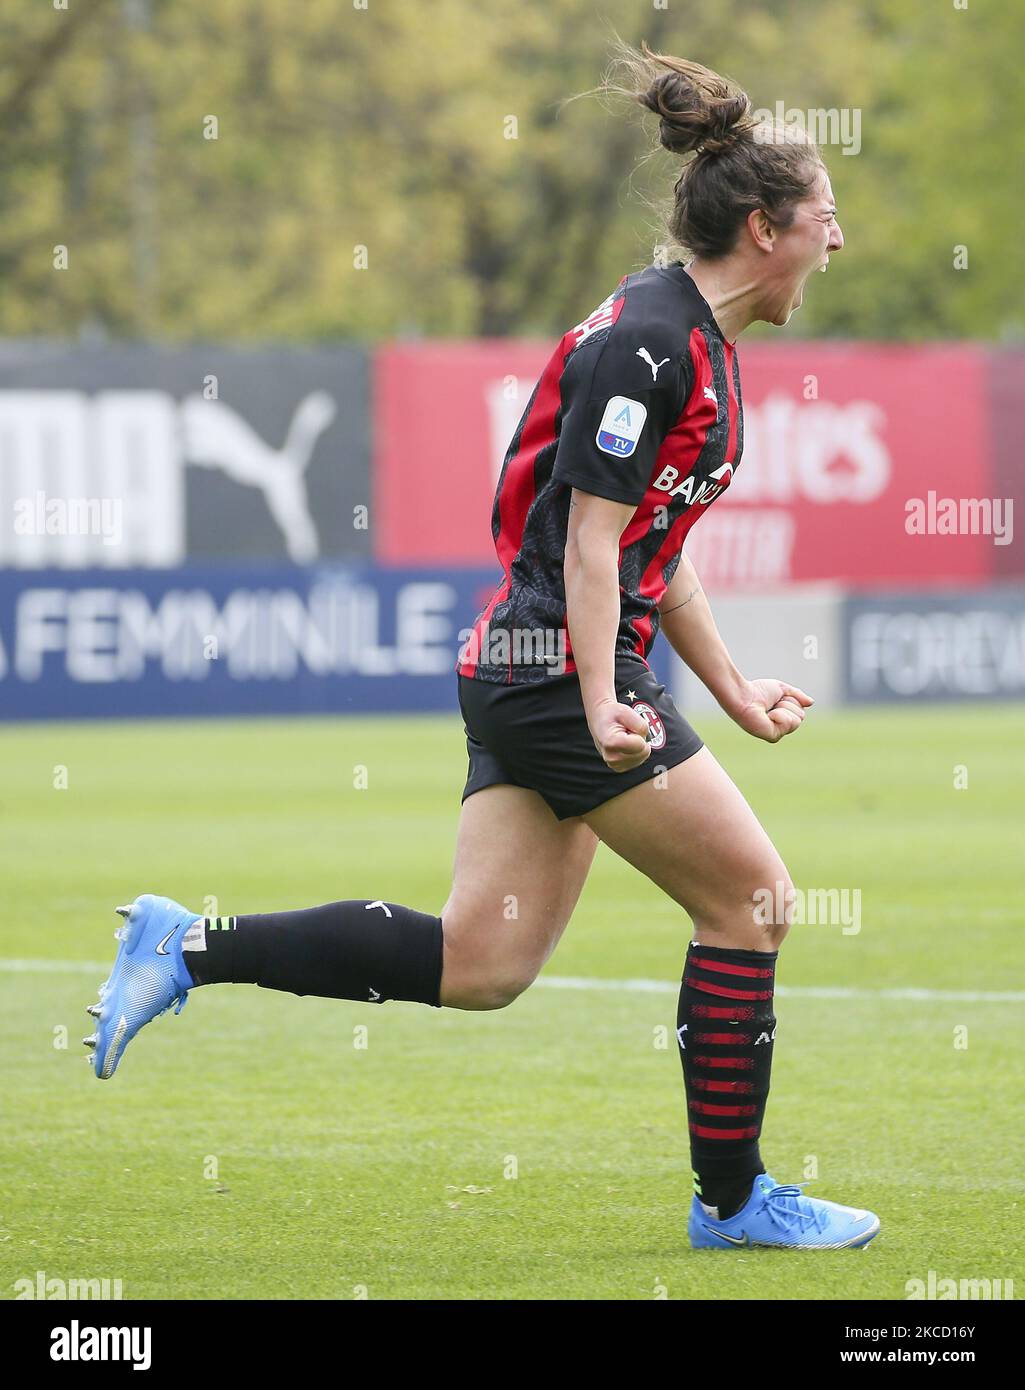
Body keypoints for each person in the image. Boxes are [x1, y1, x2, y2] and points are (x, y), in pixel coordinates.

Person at [85, 43, 878, 1251]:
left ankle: (187, 946)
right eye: (825, 219)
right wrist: (610, 691)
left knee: (480, 959)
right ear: (763, 226)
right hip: (558, 667)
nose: (837, 242)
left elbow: (653, 551)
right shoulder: (650, 345)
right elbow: (592, 549)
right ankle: (732, 1202)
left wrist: (727, 686)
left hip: (534, 667)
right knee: (752, 901)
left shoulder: (689, 339)